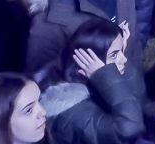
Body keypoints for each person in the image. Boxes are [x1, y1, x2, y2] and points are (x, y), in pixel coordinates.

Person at [37, 15, 144, 144]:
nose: (124, 59)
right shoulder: (71, 111)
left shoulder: (98, 77)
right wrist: (107, 75)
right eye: (114, 54)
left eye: (122, 51)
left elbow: (138, 101)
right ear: (87, 61)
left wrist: (114, 66)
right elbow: (131, 128)